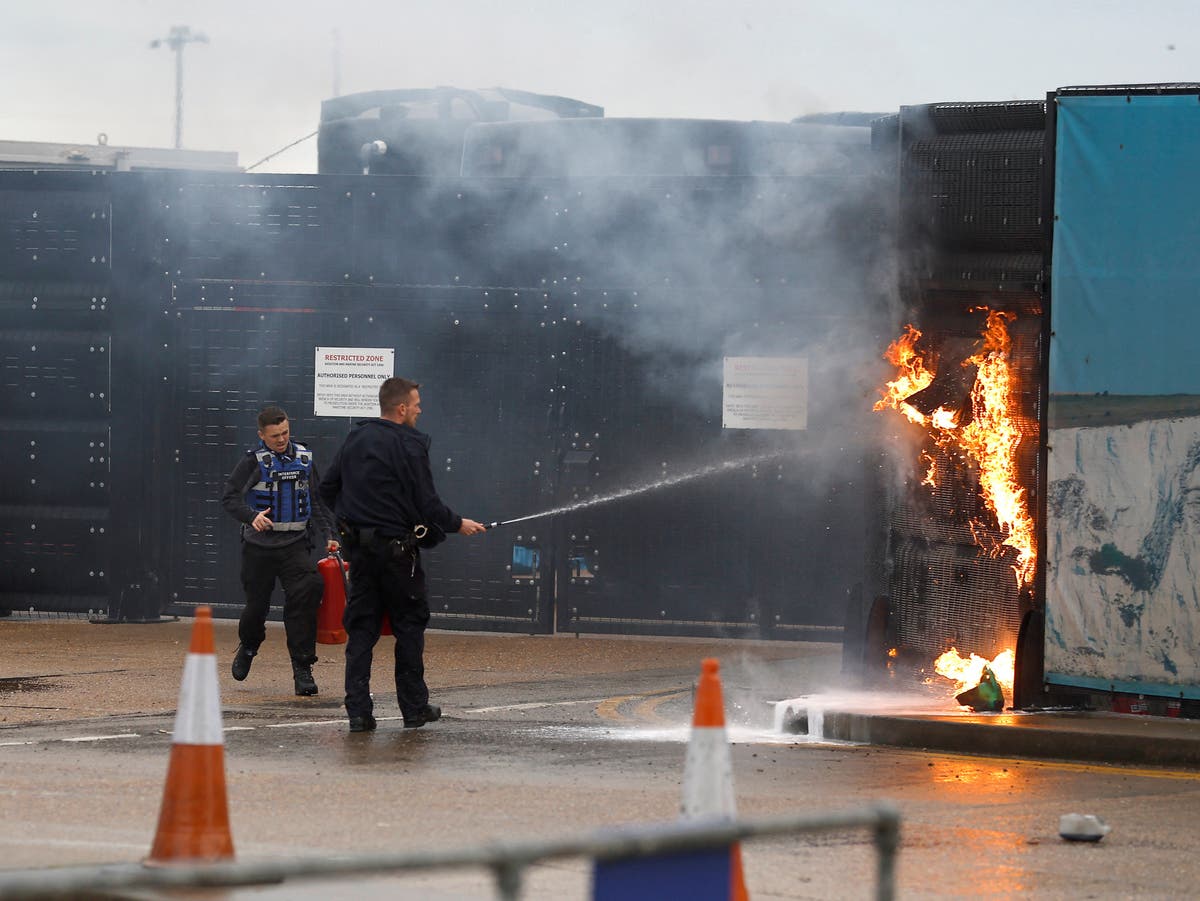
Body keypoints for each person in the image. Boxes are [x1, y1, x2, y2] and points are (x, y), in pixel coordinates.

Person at [319, 377, 486, 732]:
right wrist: (458, 524)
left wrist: (349, 522)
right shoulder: (409, 445)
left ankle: (358, 713)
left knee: (361, 630)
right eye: (416, 404)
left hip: (361, 556)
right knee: (409, 626)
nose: (420, 410)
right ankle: (414, 708)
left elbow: (327, 489)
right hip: (399, 557)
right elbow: (427, 502)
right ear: (401, 408)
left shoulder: (355, 438)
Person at [221, 405, 338, 696]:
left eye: (285, 432)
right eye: (275, 435)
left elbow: (316, 500)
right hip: (258, 548)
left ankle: (303, 668)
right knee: (256, 607)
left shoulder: (304, 459)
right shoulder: (253, 462)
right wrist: (252, 516)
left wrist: (330, 534)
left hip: (294, 545)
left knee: (307, 592)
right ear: (262, 435)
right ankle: (249, 646)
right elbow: (230, 498)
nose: (282, 439)